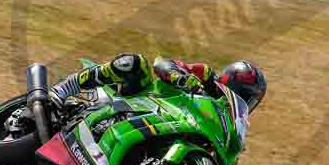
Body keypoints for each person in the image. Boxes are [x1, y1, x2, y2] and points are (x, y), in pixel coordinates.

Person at [49, 54, 267, 114]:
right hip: (139, 98)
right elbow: (162, 63)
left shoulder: (226, 122)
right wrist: (181, 78)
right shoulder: (205, 75)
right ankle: (64, 89)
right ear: (232, 80)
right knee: (135, 63)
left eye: (251, 101)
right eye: (246, 96)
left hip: (161, 125)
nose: (246, 103)